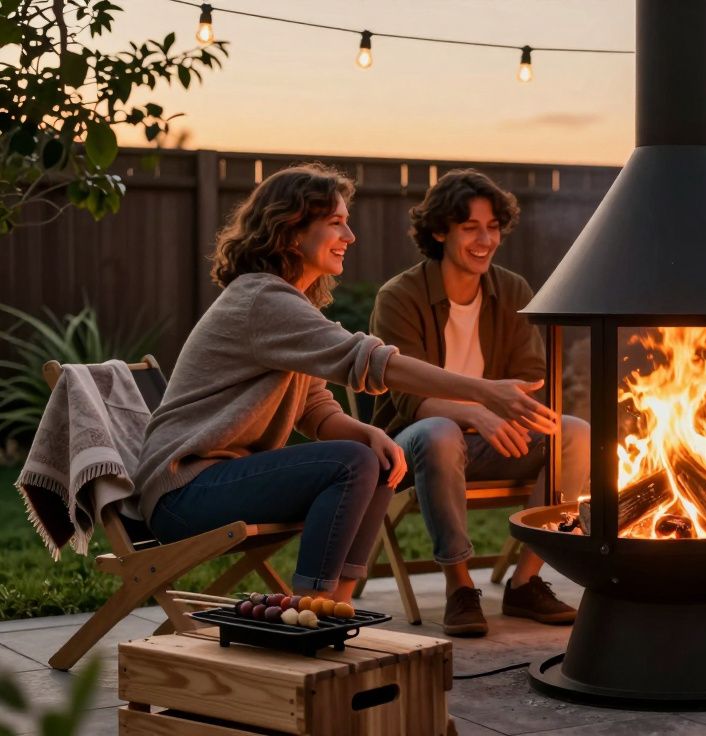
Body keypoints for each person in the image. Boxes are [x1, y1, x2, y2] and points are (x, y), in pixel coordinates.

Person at [135, 164, 557, 604]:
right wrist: (484, 391)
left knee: (374, 456)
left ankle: (336, 606)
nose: (350, 236)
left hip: (219, 480)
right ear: (292, 231)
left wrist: (369, 432)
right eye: (336, 223)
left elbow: (314, 408)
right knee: (351, 462)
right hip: (183, 491)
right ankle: (307, 609)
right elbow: (373, 361)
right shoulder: (262, 298)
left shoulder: (287, 302)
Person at [370, 169, 589, 637]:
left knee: (575, 432)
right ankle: (460, 587)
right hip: (414, 447)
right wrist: (475, 410)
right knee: (440, 431)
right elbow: (410, 400)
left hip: (497, 439)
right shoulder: (401, 297)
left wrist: (496, 412)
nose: (484, 239)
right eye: (470, 228)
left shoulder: (511, 291)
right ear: (439, 231)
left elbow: (531, 378)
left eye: (492, 227)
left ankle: (526, 581)